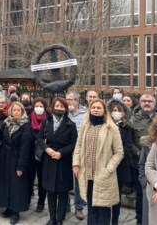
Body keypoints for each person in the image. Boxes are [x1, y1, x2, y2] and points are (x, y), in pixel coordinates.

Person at [72, 99, 124, 225]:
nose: (95, 109)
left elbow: (119, 152)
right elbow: (78, 146)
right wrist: (76, 163)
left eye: (99, 108)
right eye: (93, 107)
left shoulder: (112, 129)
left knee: (104, 209)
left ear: (104, 111)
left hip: (104, 175)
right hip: (88, 174)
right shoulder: (85, 126)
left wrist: (108, 169)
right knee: (91, 207)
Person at [37, 97, 77, 225]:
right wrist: (47, 149)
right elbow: (40, 138)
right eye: (57, 106)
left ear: (65, 109)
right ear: (53, 107)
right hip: (49, 159)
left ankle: (60, 219)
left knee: (63, 191)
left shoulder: (71, 125)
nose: (59, 109)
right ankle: (52, 218)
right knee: (50, 191)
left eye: (62, 106)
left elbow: (73, 143)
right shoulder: (47, 121)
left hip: (63, 160)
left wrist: (61, 153)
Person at [0, 102, 32, 224]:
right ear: (11, 111)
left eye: (18, 110)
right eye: (14, 110)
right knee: (5, 182)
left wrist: (21, 166)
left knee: (17, 185)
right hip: (5, 156)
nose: (16, 112)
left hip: (17, 157)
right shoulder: (6, 124)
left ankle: (16, 211)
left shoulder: (25, 127)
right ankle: (8, 207)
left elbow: (25, 148)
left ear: (22, 112)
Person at [129, 93, 157, 224]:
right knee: (140, 194)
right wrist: (137, 152)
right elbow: (128, 141)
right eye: (144, 101)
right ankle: (140, 219)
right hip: (138, 163)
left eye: (150, 101)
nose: (147, 103)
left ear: (154, 103)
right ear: (139, 103)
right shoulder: (132, 119)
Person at [107, 99, 134, 225]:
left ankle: (115, 220)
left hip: (120, 165)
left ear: (123, 113)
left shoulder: (126, 128)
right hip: (106, 165)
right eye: (114, 111)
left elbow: (128, 145)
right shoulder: (105, 126)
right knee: (107, 194)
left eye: (119, 111)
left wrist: (117, 158)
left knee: (117, 195)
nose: (116, 113)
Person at [65, 92, 87, 220]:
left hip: (79, 153)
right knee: (65, 179)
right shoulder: (63, 114)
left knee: (79, 181)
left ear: (77, 101)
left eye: (71, 100)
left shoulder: (85, 115)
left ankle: (79, 207)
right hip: (65, 151)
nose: (68, 102)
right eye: (67, 99)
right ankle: (66, 204)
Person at [138, 116, 157, 225]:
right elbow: (142, 165)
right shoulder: (148, 143)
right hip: (149, 187)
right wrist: (144, 183)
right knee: (149, 218)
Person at [27, 97, 48, 213]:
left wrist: (40, 141)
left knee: (41, 179)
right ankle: (28, 197)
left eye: (41, 106)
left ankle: (41, 202)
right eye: (37, 106)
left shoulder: (48, 120)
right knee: (29, 177)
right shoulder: (29, 119)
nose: (38, 108)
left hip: (43, 154)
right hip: (30, 153)